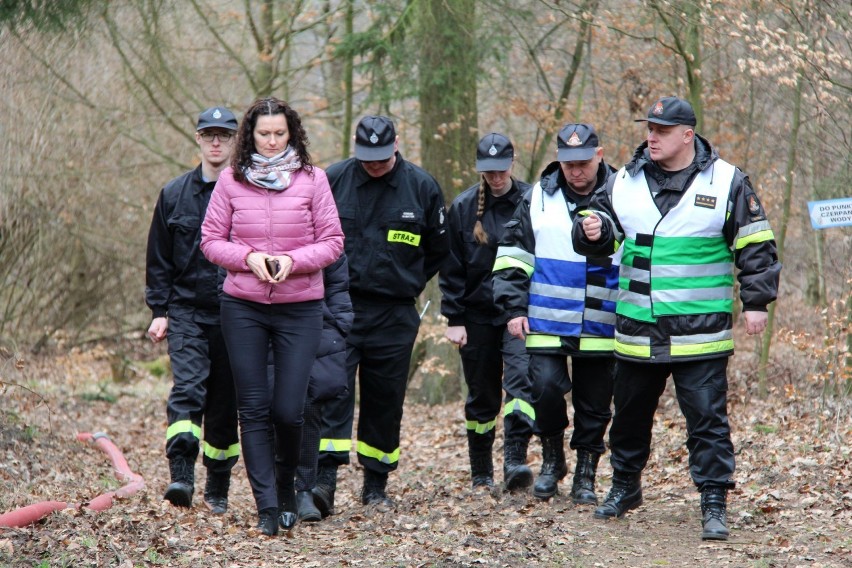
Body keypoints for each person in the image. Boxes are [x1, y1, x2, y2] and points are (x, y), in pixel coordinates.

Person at [574, 96, 781, 540]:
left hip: (701, 333)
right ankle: (626, 486)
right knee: (628, 418)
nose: (652, 136)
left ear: (687, 135)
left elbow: (755, 243)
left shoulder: (727, 181)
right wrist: (591, 229)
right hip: (636, 329)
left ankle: (713, 500)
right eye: (649, 128)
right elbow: (597, 225)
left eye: (662, 130)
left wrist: (757, 302)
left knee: (707, 420)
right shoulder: (623, 181)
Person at [200, 97, 344, 536]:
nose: (271, 141)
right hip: (242, 306)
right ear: (251, 135)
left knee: (289, 409)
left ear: (292, 134)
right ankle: (266, 507)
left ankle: (287, 490)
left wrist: (292, 261)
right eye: (264, 134)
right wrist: (249, 257)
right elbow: (210, 241)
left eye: (279, 133)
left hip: (300, 307)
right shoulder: (230, 181)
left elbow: (333, 241)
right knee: (254, 409)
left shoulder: (314, 180)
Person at [313, 115, 449, 513]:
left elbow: (438, 251)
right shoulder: (332, 180)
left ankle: (375, 484)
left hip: (394, 313)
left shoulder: (421, 187)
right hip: (339, 307)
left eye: (381, 157)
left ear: (397, 144)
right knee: (331, 391)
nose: (373, 164)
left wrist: (405, 280)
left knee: (385, 401)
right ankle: (324, 483)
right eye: (366, 156)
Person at [492, 123, 620, 503]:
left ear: (599, 155)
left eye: (583, 163)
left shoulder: (623, 195)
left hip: (603, 318)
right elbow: (513, 255)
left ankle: (586, 473)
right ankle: (552, 460)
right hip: (546, 318)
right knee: (545, 390)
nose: (576, 171)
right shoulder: (535, 199)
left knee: (595, 403)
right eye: (568, 164)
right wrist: (513, 308)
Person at [145, 106, 240, 514]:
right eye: (209, 134)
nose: (216, 141)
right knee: (188, 389)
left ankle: (217, 487)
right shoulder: (173, 194)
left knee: (224, 402)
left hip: (237, 312)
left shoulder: (250, 194)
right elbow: (158, 259)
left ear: (235, 140)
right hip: (185, 311)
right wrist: (159, 310)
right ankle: (181, 475)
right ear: (198, 138)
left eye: (224, 135)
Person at [439, 133, 535, 491]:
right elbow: (450, 269)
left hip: (519, 313)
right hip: (476, 316)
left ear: (513, 162)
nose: (495, 177)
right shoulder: (463, 208)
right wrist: (454, 319)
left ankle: (514, 460)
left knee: (522, 383)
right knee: (482, 395)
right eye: (488, 171)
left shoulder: (531, 200)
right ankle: (481, 471)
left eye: (501, 170)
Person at [285, 252, 353, 523]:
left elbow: (338, 284)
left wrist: (339, 324)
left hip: (315, 327)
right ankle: (274, 494)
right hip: (262, 325)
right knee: (272, 412)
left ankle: (304, 490)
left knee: (309, 407)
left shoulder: (325, 235)